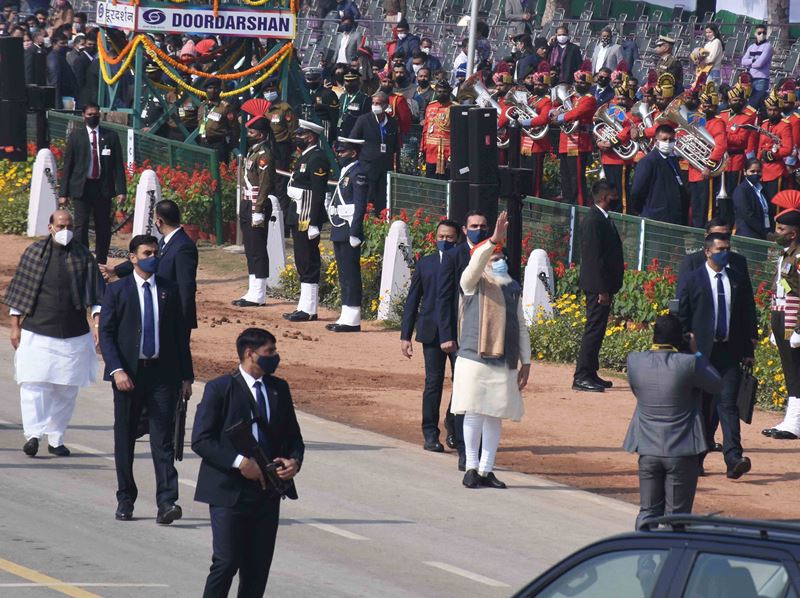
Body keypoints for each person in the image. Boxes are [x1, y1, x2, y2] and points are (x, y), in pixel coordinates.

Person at [192, 328, 304, 597]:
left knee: (257, 569)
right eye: (270, 352)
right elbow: (201, 440)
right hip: (229, 492)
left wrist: (294, 462)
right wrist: (240, 462)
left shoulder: (279, 389)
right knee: (226, 562)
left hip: (268, 492)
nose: (275, 357)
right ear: (250, 354)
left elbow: (293, 437)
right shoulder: (220, 389)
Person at [99, 235, 194, 523]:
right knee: (125, 438)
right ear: (132, 257)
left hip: (163, 376)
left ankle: (167, 502)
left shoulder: (169, 290)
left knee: (163, 440)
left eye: (155, 252)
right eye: (146, 252)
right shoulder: (118, 291)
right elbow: (107, 334)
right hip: (129, 376)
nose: (152, 256)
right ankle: (125, 498)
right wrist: (117, 371)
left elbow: (180, 337)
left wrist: (186, 376)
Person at [3, 210, 104, 457]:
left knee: (66, 389)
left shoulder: (83, 255)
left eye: (69, 225)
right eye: (60, 225)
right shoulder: (34, 254)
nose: (65, 230)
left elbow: (96, 295)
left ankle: (56, 438)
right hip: (38, 331)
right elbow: (21, 292)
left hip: (73, 334)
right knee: (34, 386)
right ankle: (33, 436)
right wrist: (15, 326)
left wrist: (97, 324)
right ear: (50, 227)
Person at [451, 212, 530, 489]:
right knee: (473, 412)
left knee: (495, 414)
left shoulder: (512, 288)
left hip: (504, 360)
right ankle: (471, 467)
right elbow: (475, 265)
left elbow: (521, 324)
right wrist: (492, 240)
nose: (497, 261)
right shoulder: (471, 283)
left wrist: (526, 361)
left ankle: (486, 470)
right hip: (474, 357)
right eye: (492, 257)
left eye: (501, 257)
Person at [623, 315, 722, 529]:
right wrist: (696, 351)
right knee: (676, 518)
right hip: (682, 450)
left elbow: (637, 392)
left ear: (654, 335)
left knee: (647, 512)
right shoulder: (688, 363)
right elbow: (716, 383)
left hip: (647, 448)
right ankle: (671, 559)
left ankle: (644, 559)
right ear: (681, 338)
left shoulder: (635, 361)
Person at [679, 233, 757, 479]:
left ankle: (733, 458)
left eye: (728, 248)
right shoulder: (693, 280)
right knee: (701, 408)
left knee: (728, 406)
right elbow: (682, 315)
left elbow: (746, 315)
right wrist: (683, 350)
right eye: (721, 248)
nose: (725, 252)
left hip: (728, 353)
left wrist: (747, 351)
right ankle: (697, 458)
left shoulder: (736, 279)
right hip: (701, 354)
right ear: (708, 252)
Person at [401, 220, 461, 452]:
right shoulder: (425, 263)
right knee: (433, 383)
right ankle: (430, 433)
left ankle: (453, 425)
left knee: (462, 384)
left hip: (458, 332)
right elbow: (412, 300)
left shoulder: (462, 263)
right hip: (431, 332)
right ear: (434, 237)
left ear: (457, 239)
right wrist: (405, 335)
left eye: (450, 237)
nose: (445, 241)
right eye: (441, 236)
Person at [437, 211, 491, 470]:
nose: (478, 229)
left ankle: (479, 452)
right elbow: (444, 298)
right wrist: (447, 336)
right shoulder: (453, 256)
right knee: (464, 394)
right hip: (460, 337)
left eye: (482, 226)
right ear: (465, 228)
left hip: (489, 340)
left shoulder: (495, 254)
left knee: (483, 396)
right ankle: (463, 450)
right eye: (473, 226)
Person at [109, 200, 199, 336]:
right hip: (163, 310)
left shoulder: (183, 247)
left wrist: (183, 321)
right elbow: (145, 260)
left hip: (175, 316)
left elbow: (186, 286)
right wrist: (115, 271)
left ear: (159, 221)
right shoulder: (165, 241)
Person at [58, 102, 127, 266]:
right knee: (80, 227)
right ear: (83, 116)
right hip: (82, 187)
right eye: (90, 114)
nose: (93, 117)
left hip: (103, 188)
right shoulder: (76, 136)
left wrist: (121, 190)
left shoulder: (111, 136)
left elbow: (118, 166)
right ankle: (83, 259)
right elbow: (68, 165)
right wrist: (63, 193)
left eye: (96, 114)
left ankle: (101, 261)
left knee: (103, 227)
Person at [573, 180, 624, 392]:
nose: (616, 198)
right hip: (597, 287)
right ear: (604, 197)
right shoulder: (594, 220)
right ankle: (581, 376)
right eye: (613, 195)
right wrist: (601, 289)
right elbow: (594, 258)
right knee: (593, 330)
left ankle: (591, 372)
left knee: (598, 329)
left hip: (603, 286)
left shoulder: (601, 218)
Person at [284, 120, 332, 322]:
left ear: (311, 137)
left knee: (308, 259)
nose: (297, 138)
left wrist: (313, 222)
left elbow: (318, 192)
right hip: (298, 212)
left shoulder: (317, 158)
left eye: (301, 134)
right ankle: (303, 306)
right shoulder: (305, 157)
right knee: (301, 260)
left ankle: (310, 308)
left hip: (306, 215)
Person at [762, 192, 800, 441]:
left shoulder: (798, 256)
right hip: (782, 319)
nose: (777, 231)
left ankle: (795, 423)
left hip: (793, 321)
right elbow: (781, 289)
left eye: (781, 228)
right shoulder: (786, 254)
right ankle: (791, 419)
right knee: (790, 370)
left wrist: (798, 328)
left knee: (796, 371)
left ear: (793, 233)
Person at [231, 107, 276, 308]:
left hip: (257, 205)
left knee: (258, 249)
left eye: (252, 131)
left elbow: (265, 184)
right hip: (248, 203)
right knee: (250, 248)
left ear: (262, 134)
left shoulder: (264, 154)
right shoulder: (254, 151)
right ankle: (252, 289)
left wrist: (258, 210)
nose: (249, 134)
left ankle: (259, 292)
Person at [326, 138, 368, 332]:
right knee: (343, 274)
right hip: (339, 227)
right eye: (339, 152)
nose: (340, 155)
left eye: (343, 152)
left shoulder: (358, 173)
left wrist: (355, 231)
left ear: (353, 152)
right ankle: (345, 314)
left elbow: (360, 205)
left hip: (349, 227)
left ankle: (353, 317)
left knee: (351, 274)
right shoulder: (346, 172)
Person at [551, 61, 596, 205]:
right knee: (565, 179)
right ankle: (567, 207)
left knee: (576, 180)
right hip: (566, 140)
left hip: (579, 142)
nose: (578, 85)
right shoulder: (572, 98)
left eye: (582, 83)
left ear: (588, 84)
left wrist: (559, 117)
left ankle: (579, 209)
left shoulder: (589, 99)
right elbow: (554, 109)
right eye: (577, 82)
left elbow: (576, 113)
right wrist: (554, 112)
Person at [350, 91, 400, 213]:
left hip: (385, 167)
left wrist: (396, 166)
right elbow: (352, 140)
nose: (375, 105)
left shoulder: (392, 122)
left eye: (378, 103)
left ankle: (380, 221)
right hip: (367, 166)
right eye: (373, 103)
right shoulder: (364, 119)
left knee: (382, 200)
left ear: (385, 105)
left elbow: (395, 146)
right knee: (368, 198)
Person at [677, 218, 752, 299]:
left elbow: (747, 297)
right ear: (706, 236)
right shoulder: (692, 262)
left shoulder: (738, 261)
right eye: (716, 235)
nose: (722, 239)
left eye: (726, 235)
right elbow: (682, 297)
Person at [631, 125, 687, 224]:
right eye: (664, 139)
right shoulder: (648, 162)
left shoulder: (673, 160)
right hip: (654, 216)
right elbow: (637, 191)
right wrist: (642, 210)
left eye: (671, 140)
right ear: (656, 141)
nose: (668, 143)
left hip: (674, 217)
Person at [197, 78, 239, 164]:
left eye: (215, 88)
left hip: (218, 144)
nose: (212, 91)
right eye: (210, 88)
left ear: (219, 90)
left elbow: (234, 127)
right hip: (204, 143)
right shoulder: (202, 106)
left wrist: (231, 145)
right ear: (206, 90)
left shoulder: (225, 107)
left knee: (220, 170)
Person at [419, 80, 452, 179]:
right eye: (439, 91)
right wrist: (422, 151)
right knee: (431, 184)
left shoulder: (454, 108)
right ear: (435, 92)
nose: (441, 94)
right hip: (430, 152)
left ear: (449, 92)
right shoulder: (430, 106)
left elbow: (457, 136)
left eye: (444, 92)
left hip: (445, 154)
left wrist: (452, 156)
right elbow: (425, 131)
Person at [733, 159, 770, 239]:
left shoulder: (762, 188)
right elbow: (748, 215)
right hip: (748, 235)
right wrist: (764, 232)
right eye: (752, 171)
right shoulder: (741, 190)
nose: (756, 174)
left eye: (758, 171)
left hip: (763, 234)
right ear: (745, 172)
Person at [741, 24, 772, 110]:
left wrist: (750, 62)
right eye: (759, 33)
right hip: (750, 79)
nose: (762, 35)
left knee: (754, 105)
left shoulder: (768, 46)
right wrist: (753, 61)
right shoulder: (751, 47)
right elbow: (743, 61)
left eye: (764, 33)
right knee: (750, 103)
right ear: (755, 34)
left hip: (761, 80)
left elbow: (759, 64)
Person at [338, 70, 371, 138]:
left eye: (352, 81)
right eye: (347, 81)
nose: (349, 84)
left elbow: (366, 118)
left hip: (355, 133)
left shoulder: (364, 98)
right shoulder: (342, 97)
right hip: (341, 132)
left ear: (358, 82)